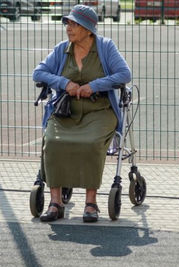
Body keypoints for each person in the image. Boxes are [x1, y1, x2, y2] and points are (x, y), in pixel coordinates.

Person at [33, 5, 131, 223]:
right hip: (66, 111)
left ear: (88, 29)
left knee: (91, 143)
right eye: (68, 22)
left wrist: (94, 85)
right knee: (53, 140)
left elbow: (125, 74)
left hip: (100, 110)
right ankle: (55, 202)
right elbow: (38, 72)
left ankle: (90, 203)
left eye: (74, 23)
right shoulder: (62, 49)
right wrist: (63, 82)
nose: (69, 27)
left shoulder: (105, 47)